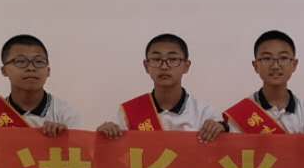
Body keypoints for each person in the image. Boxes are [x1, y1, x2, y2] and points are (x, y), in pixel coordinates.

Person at [96, 33, 225, 140]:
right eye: (157, 59)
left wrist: (222, 130)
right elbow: (116, 157)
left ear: (186, 66)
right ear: (146, 66)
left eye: (173, 59)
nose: (164, 66)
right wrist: (104, 136)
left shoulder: (205, 113)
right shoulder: (128, 113)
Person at [223, 30, 304, 135]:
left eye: (283, 58)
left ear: (294, 64)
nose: (275, 66)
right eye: (267, 58)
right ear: (256, 65)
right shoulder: (242, 113)